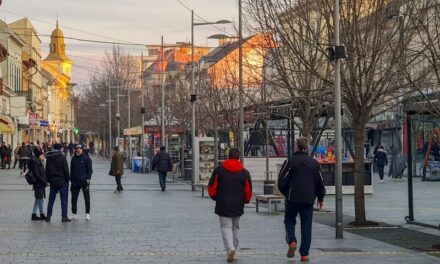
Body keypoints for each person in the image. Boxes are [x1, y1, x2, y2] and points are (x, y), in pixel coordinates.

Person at [278, 138, 326, 262]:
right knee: (306, 226)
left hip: (292, 198)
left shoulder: (290, 161)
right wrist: (321, 198)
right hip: (308, 199)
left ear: (296, 147)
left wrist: (287, 193)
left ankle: (292, 241)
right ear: (307, 148)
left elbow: (281, 180)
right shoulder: (314, 163)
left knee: (289, 221)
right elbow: (320, 183)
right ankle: (304, 254)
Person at [208, 148, 252, 262]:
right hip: (238, 204)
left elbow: (212, 187)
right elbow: (248, 190)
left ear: (228, 156)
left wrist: (215, 197)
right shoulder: (244, 173)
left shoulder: (219, 170)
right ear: (238, 158)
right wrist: (246, 200)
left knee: (225, 227)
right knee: (235, 227)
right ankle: (234, 249)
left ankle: (230, 248)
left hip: (223, 203)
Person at [45, 143, 71, 222]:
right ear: (60, 149)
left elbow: (47, 171)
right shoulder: (62, 157)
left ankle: (48, 216)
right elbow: (66, 170)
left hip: (53, 181)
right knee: (64, 200)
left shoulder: (49, 158)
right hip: (62, 181)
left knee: (51, 200)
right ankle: (64, 216)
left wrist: (48, 180)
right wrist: (68, 179)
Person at [70, 144, 93, 221]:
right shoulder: (73, 159)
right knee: (74, 199)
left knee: (86, 198)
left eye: (80, 148)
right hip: (75, 182)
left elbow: (90, 170)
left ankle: (87, 214)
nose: (78, 149)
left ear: (82, 149)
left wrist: (88, 179)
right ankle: (74, 214)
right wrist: (71, 179)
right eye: (77, 148)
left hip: (84, 181)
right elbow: (71, 170)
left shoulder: (86, 158)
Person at [29, 148, 47, 221]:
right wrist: (44, 182)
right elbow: (37, 175)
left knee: (38, 199)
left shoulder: (39, 162)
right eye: (42, 155)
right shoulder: (36, 163)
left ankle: (35, 214)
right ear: (39, 156)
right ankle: (39, 214)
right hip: (38, 184)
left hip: (40, 184)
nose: (44, 157)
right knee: (39, 199)